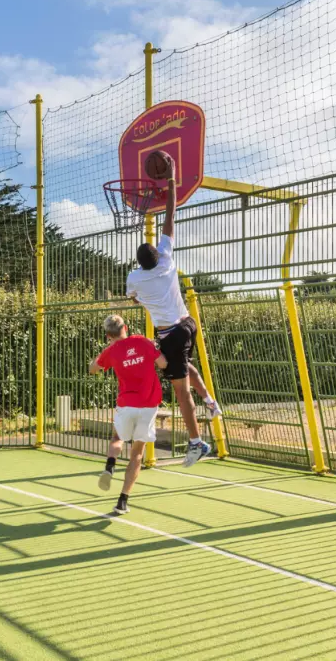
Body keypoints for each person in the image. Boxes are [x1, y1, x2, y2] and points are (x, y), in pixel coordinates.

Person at [126, 152, 222, 468]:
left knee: (181, 394)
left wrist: (143, 300)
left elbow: (133, 299)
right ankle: (211, 401)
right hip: (188, 324)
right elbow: (169, 216)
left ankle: (197, 443)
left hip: (170, 333)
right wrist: (170, 178)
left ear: (139, 263)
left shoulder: (134, 278)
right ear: (157, 252)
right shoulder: (167, 258)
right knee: (186, 366)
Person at [89, 314, 167, 515]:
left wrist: (100, 357)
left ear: (108, 335)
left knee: (117, 438)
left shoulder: (111, 351)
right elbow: (164, 364)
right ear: (126, 327)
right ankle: (123, 500)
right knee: (137, 454)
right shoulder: (142, 341)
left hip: (126, 403)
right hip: (148, 404)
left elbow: (92, 369)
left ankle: (110, 465)